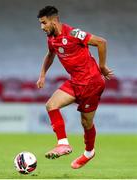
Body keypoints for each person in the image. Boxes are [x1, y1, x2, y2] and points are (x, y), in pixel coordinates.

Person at [36, 6, 113, 169]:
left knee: (86, 123)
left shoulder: (73, 33)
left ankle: (89, 152)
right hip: (75, 82)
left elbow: (101, 42)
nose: (42, 27)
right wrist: (42, 74)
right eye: (40, 24)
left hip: (92, 83)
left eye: (44, 23)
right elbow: (50, 54)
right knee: (51, 105)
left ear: (54, 20)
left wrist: (102, 66)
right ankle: (63, 144)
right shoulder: (51, 39)